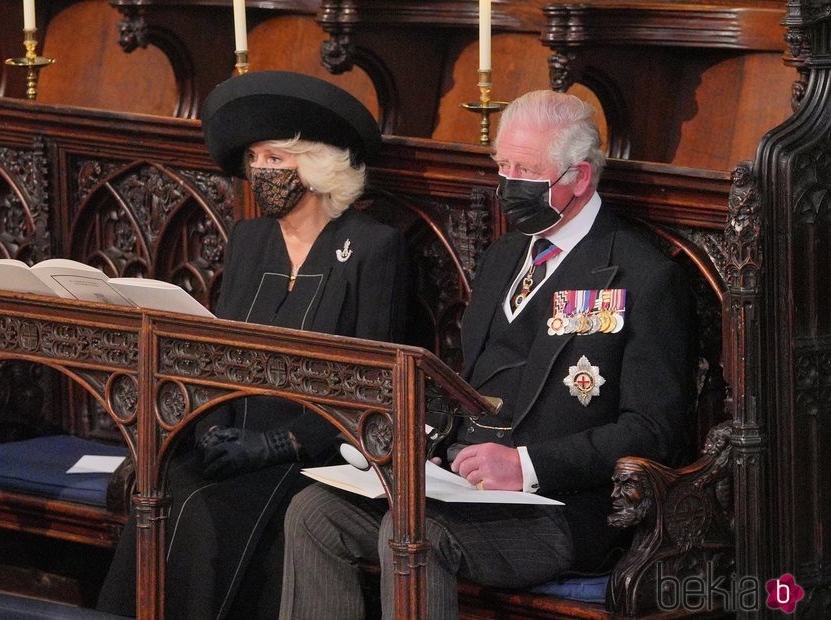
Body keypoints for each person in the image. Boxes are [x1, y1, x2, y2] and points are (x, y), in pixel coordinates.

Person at [278, 89, 695, 619]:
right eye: (503, 165)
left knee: (414, 533)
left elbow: (652, 431)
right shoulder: (503, 255)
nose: (507, 185)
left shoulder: (641, 275)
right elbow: (470, 383)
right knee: (314, 512)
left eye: (525, 169)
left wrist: (525, 466)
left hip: (563, 507)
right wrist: (425, 442)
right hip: (462, 483)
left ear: (579, 177)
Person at [96, 71, 407, 619]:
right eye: (254, 159)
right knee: (163, 488)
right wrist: (209, 421)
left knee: (208, 512)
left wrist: (280, 443)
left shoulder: (371, 248)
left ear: (314, 166)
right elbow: (220, 349)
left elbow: (376, 381)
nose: (259, 171)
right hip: (233, 436)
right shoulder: (250, 239)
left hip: (313, 454)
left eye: (273, 159)